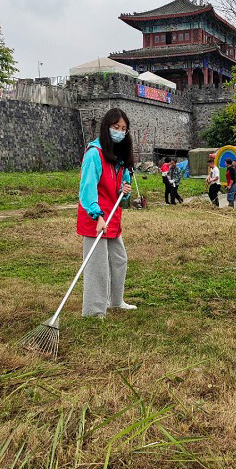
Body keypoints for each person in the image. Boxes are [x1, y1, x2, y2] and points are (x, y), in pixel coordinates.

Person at [76, 108, 137, 318]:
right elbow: (87, 188)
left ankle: (116, 301)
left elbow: (123, 195)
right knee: (97, 266)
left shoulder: (119, 158)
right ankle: (93, 311)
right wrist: (97, 215)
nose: (120, 132)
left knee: (119, 259)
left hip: (113, 217)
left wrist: (125, 191)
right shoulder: (94, 153)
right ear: (106, 128)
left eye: (123, 129)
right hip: (96, 218)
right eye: (115, 127)